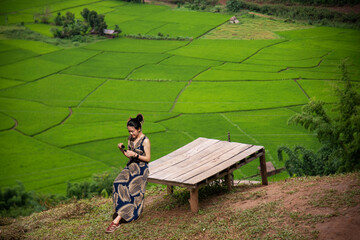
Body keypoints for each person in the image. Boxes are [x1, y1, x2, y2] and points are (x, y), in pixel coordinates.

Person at [105, 114, 151, 234]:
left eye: (132, 131)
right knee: (117, 183)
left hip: (141, 168)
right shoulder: (130, 139)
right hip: (131, 166)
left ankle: (117, 221)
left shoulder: (145, 140)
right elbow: (127, 154)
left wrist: (136, 155)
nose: (131, 134)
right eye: (129, 131)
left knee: (131, 189)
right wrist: (122, 149)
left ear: (139, 129)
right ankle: (122, 211)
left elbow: (148, 158)